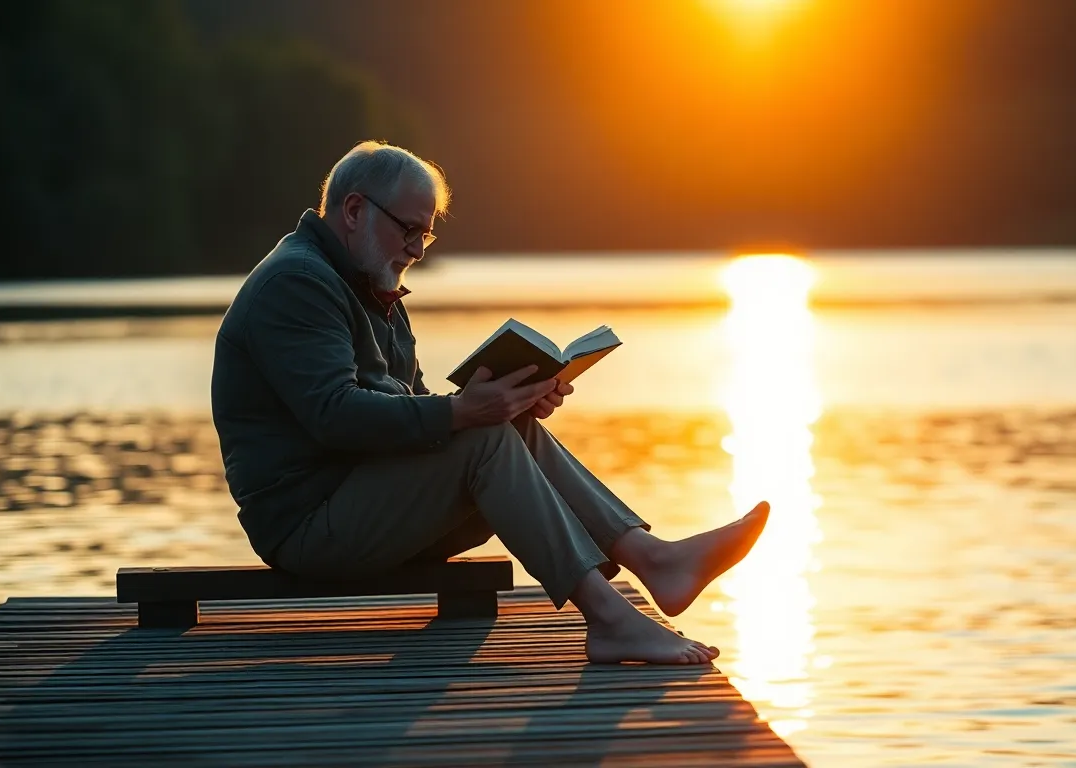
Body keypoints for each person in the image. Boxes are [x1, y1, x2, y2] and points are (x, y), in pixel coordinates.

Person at [211, 140, 769, 664]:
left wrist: (509, 400)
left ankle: (656, 560)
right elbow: (335, 415)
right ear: (354, 211)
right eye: (408, 229)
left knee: (507, 427)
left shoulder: (368, 287)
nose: (416, 249)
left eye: (425, 235)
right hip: (308, 526)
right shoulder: (298, 284)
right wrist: (465, 412)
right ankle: (609, 617)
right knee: (479, 433)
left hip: (364, 502)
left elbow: (409, 411)